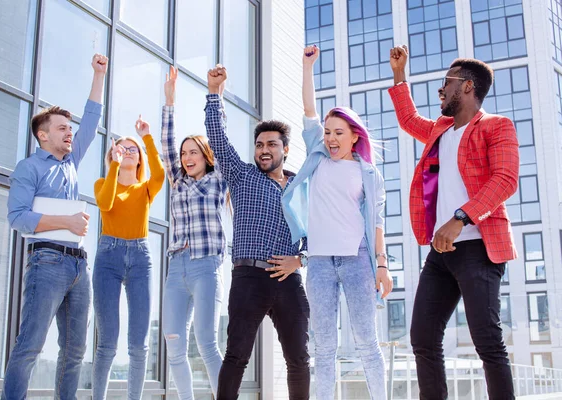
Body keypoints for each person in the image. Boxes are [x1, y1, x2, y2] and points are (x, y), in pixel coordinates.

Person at [388, 45, 519, 399]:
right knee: (423, 339)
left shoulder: (497, 126)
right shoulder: (441, 130)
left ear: (467, 87)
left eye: (447, 81)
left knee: (487, 340)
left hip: (478, 246)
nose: (441, 89)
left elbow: (506, 179)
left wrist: (460, 217)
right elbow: (408, 120)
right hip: (440, 253)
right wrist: (400, 75)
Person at [282, 45, 393, 400]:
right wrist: (307, 67)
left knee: (367, 344)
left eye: (338, 133)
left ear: (354, 136)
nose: (330, 138)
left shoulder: (368, 173)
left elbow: (376, 223)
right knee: (324, 348)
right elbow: (309, 110)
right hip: (319, 263)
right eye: (327, 132)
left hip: (358, 259)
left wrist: (382, 265)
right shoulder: (318, 156)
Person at [3, 54, 107, 399]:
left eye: (69, 128)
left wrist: (98, 75)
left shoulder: (71, 161)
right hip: (46, 263)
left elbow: (91, 121)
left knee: (75, 350)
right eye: (62, 128)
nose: (70, 133)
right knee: (30, 346)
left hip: (79, 264)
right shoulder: (29, 168)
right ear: (42, 135)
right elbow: (17, 217)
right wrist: (67, 222)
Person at [205, 65, 310, 400]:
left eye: (272, 145)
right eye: (259, 144)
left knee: (299, 359)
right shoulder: (243, 175)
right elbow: (218, 138)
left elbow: (315, 231)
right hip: (249, 277)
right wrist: (214, 93)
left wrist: (300, 260)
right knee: (237, 355)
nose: (264, 149)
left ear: (285, 150)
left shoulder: (299, 186)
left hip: (288, 280)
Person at [160, 66, 227, 399]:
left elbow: (221, 138)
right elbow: (165, 144)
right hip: (177, 268)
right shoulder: (177, 180)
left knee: (206, 342)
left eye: (193, 152)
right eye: (184, 153)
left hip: (206, 266)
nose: (186, 157)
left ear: (205, 156)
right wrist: (169, 101)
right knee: (173, 340)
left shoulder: (217, 181)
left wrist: (218, 95)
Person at [91, 113, 165, 399]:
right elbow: (106, 202)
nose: (128, 152)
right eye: (121, 148)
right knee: (107, 343)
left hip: (140, 258)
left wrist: (145, 136)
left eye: (132, 149)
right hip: (108, 257)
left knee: (139, 344)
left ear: (140, 157)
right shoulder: (102, 183)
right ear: (114, 154)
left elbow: (160, 174)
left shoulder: (144, 188)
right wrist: (114, 165)